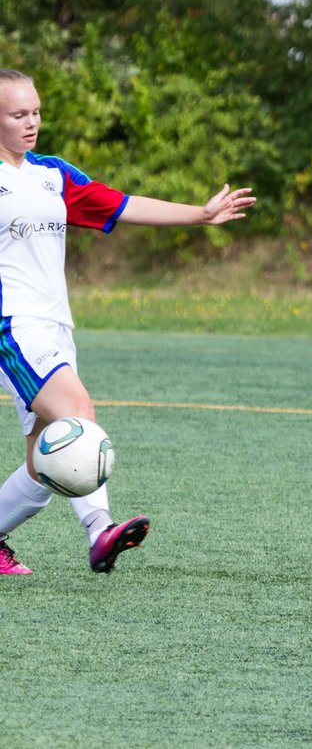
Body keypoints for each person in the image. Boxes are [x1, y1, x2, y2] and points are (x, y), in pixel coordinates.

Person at [0, 69, 255, 575]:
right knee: (78, 412)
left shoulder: (52, 174)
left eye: (36, 112)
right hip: (12, 329)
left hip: (56, 329)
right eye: (17, 115)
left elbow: (122, 204)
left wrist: (200, 216)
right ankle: (100, 534)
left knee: (41, 465)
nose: (32, 123)